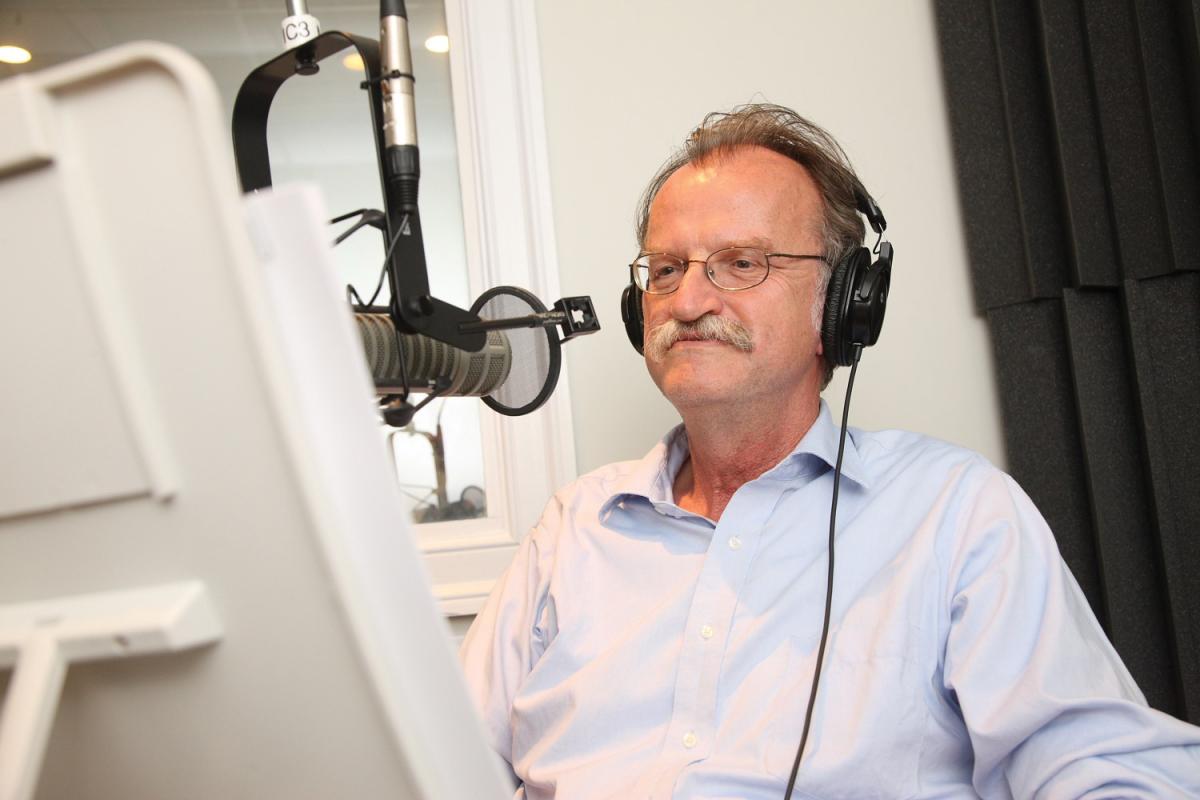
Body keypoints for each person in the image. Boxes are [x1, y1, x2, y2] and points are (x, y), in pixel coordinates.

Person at [458, 104, 1200, 799]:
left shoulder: (956, 514)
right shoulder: (571, 532)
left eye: (741, 263)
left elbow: (1103, 770)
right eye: (666, 270)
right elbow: (439, 760)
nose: (686, 302)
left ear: (845, 304)